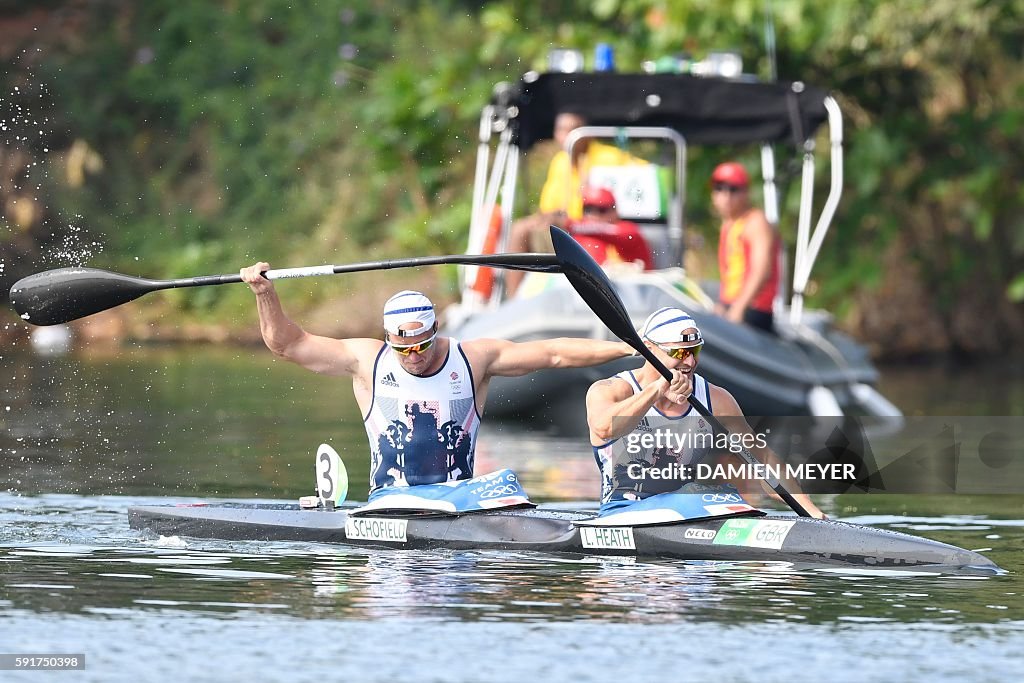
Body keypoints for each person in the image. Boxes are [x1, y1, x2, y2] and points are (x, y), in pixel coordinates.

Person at [240, 266, 635, 493]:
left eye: (422, 345)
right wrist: (264, 294)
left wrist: (630, 349)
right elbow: (287, 345)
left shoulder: (474, 358)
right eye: (403, 348)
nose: (413, 356)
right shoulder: (366, 359)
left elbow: (554, 352)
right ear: (388, 338)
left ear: (435, 331)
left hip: (458, 503)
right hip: (390, 505)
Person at [585, 307, 826, 517]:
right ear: (649, 349)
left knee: (727, 496)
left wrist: (810, 511)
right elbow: (605, 429)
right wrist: (656, 390)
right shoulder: (611, 391)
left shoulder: (716, 400)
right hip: (622, 514)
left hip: (686, 514)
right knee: (701, 496)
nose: (689, 362)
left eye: (695, 351)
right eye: (679, 353)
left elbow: (762, 461)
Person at [505, 185, 654, 296]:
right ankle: (513, 304)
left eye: (601, 210)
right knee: (520, 229)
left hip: (631, 295)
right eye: (588, 209)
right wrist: (538, 222)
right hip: (583, 294)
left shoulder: (628, 231)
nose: (594, 215)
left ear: (615, 211)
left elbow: (603, 230)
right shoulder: (576, 231)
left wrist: (567, 223)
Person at [711, 161, 782, 333]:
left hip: (754, 309)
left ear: (745, 193)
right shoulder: (729, 224)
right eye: (720, 188)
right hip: (733, 305)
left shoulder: (755, 222)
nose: (726, 196)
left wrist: (738, 308)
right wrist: (723, 305)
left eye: (733, 189)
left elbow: (762, 270)